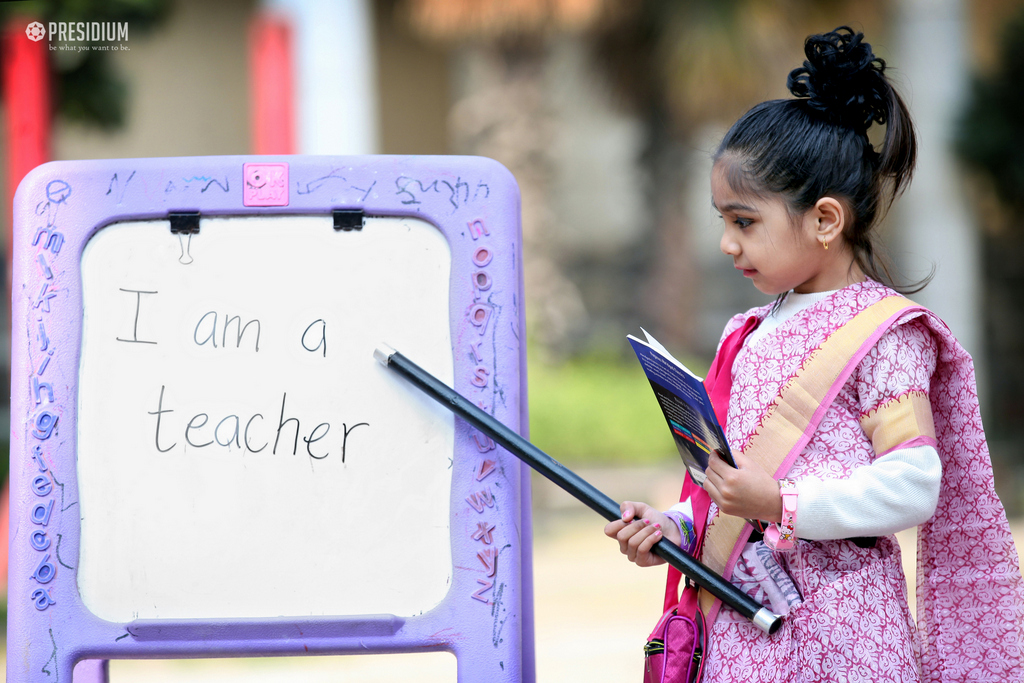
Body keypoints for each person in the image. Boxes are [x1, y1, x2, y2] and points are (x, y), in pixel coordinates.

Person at [604, 26, 1024, 682]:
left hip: (844, 638)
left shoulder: (886, 334)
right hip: (741, 635)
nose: (726, 243)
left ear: (825, 220)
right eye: (722, 220)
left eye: (744, 221)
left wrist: (780, 501)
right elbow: (735, 485)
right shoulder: (745, 331)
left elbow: (913, 483)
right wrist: (673, 527)